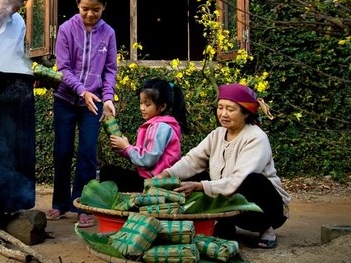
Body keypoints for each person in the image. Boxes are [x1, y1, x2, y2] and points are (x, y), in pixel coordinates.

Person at [157, 83, 290, 249]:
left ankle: (266, 228)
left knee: (252, 180)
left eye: (230, 109)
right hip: (229, 200)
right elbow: (192, 160)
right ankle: (224, 223)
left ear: (246, 112)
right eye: (220, 107)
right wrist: (166, 174)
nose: (223, 114)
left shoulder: (256, 138)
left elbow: (237, 180)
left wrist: (200, 186)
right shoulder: (217, 134)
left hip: (266, 207)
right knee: (193, 175)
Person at [46, 0, 117, 228]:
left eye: (96, 9)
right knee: (63, 151)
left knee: (88, 153)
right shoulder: (66, 29)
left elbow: (110, 70)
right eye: (85, 8)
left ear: (104, 7)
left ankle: (82, 206)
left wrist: (107, 98)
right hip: (65, 99)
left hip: (93, 104)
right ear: (78, 4)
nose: (90, 14)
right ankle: (59, 204)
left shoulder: (108, 33)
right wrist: (82, 90)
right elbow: (63, 68)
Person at [99, 78, 186, 192]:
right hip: (149, 179)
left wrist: (127, 147)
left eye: (147, 104)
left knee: (108, 172)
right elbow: (143, 156)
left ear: (163, 107)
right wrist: (124, 148)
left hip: (156, 183)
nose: (142, 108)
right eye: (141, 103)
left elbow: (147, 160)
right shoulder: (157, 124)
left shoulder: (161, 127)